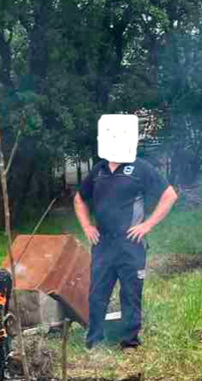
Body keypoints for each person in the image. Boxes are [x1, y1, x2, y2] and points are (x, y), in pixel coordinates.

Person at [74, 115, 178, 349]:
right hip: (103, 244)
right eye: (111, 135)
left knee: (130, 294)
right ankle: (94, 341)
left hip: (131, 245)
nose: (115, 139)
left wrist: (147, 225)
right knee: (97, 294)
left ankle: (129, 342)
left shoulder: (141, 168)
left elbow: (170, 195)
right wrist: (87, 227)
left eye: (119, 135)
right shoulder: (98, 170)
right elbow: (79, 199)